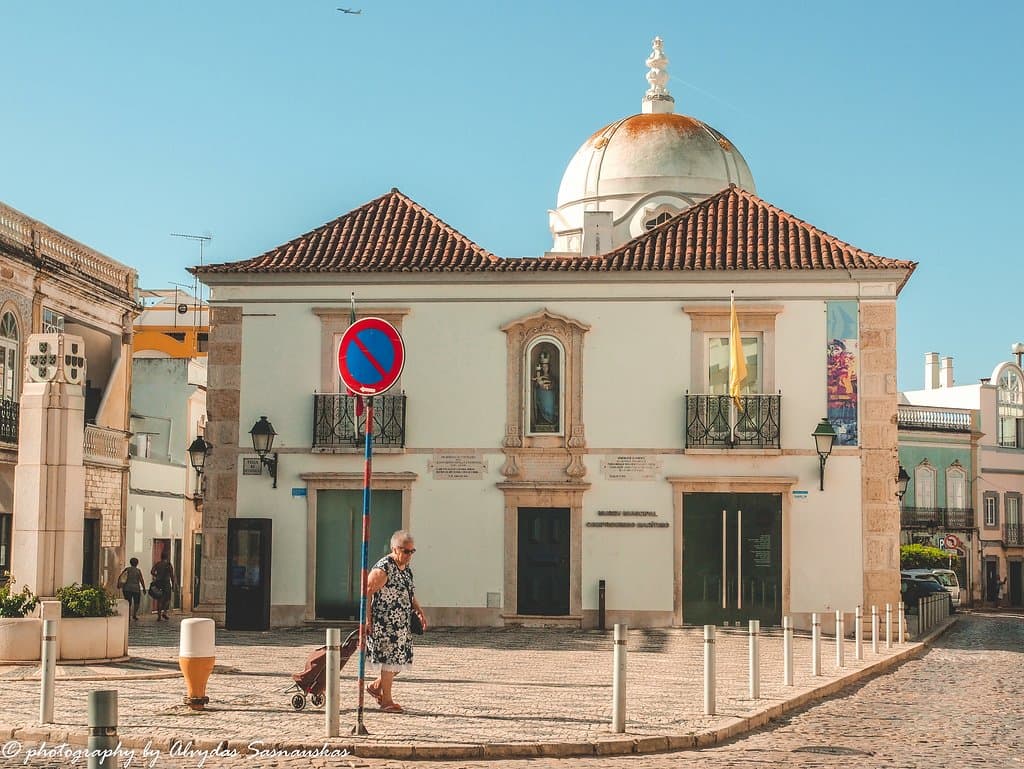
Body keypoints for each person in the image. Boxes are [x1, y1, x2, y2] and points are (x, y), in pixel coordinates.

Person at [365, 530, 427, 713]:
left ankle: (376, 687)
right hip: (385, 625)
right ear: (394, 548)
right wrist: (367, 620)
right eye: (405, 551)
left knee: (400, 661)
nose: (409, 555)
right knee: (390, 662)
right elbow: (366, 592)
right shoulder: (383, 569)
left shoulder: (405, 568)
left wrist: (418, 609)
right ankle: (387, 701)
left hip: (401, 625)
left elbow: (409, 592)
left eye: (412, 551)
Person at [150, 552, 176, 621]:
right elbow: (172, 575)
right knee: (167, 599)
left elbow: (152, 571)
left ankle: (159, 616)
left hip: (158, 583)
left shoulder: (158, 564)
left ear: (161, 557)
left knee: (159, 600)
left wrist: (156, 576)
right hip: (166, 583)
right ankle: (164, 612)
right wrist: (173, 584)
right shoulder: (168, 565)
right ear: (167, 557)